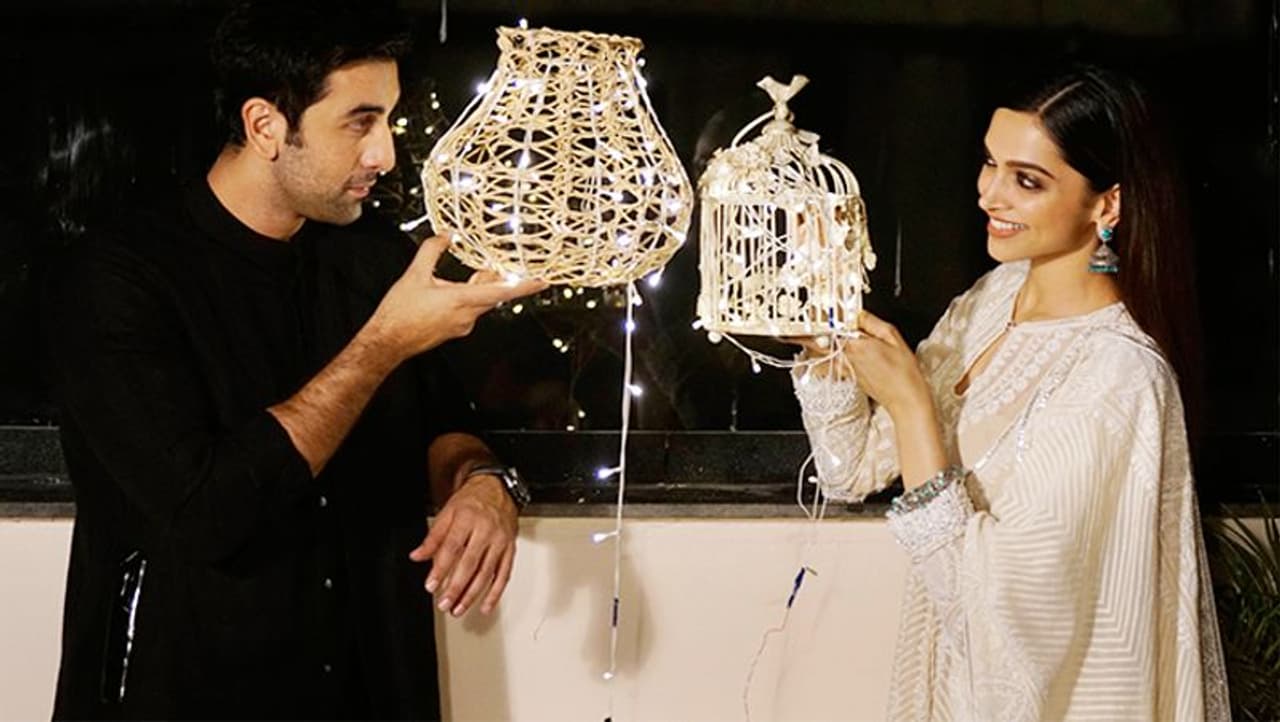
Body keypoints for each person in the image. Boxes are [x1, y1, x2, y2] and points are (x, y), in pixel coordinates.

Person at [44, 1, 545, 718]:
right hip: (183, 690)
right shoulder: (119, 278)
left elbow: (442, 422)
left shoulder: (373, 257)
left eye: (388, 119)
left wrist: (485, 483)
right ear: (265, 126)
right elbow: (206, 510)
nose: (385, 155)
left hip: (370, 687)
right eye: (359, 122)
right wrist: (381, 344)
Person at [791, 65, 1230, 720]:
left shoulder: (1117, 378)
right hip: (944, 694)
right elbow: (847, 471)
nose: (989, 195)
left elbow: (999, 623)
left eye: (1027, 180)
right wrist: (823, 331)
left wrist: (910, 403)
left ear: (1107, 205)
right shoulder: (993, 300)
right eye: (990, 163)